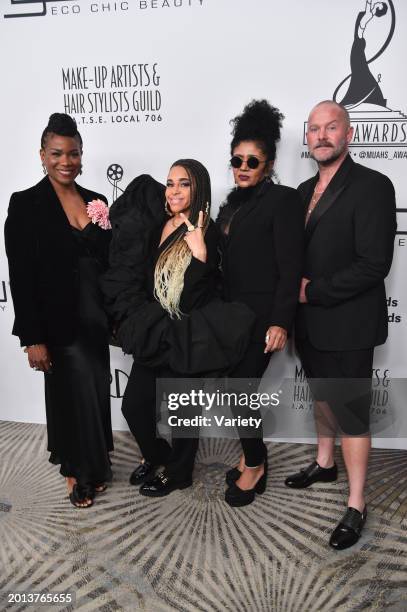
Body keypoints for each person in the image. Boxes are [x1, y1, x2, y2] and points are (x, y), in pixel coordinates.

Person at [102, 160, 254, 497]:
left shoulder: (207, 229)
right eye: (170, 183)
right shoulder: (158, 222)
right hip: (155, 328)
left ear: (198, 188)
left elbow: (196, 299)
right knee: (135, 407)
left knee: (184, 411)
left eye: (183, 184)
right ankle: (158, 455)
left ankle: (179, 472)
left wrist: (200, 255)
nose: (173, 191)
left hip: (189, 332)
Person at [285, 100, 396, 549]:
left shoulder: (373, 186)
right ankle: (324, 462)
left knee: (351, 413)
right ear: (307, 138)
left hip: (348, 322)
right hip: (309, 324)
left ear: (348, 134)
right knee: (320, 396)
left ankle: (356, 503)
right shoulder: (298, 193)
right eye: (314, 129)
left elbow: (375, 264)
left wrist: (313, 291)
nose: (322, 136)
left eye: (331, 127)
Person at [4, 113, 113, 508]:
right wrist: (32, 338)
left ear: (82, 155)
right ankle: (75, 471)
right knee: (70, 396)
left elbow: (109, 261)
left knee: (96, 393)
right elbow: (21, 275)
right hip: (59, 324)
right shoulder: (26, 204)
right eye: (57, 153)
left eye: (73, 153)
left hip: (96, 321)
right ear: (42, 155)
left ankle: (96, 465)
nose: (66, 161)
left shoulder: (95, 200)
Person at [216, 100, 304, 507]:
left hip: (261, 319)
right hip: (230, 319)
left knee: (238, 390)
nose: (244, 166)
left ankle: (256, 464)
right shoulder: (230, 206)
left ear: (268, 165)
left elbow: (290, 267)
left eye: (254, 160)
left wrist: (280, 321)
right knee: (237, 391)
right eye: (238, 159)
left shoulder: (282, 201)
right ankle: (252, 453)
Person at [337, 1, 390, 109]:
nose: (377, 3)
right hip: (357, 45)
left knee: (360, 71)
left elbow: (361, 26)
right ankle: (367, 96)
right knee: (360, 71)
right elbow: (368, 4)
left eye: (378, 5)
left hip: (359, 43)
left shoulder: (369, 14)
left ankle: (372, 96)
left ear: (377, 9)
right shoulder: (369, 12)